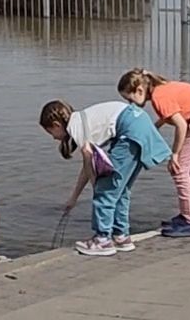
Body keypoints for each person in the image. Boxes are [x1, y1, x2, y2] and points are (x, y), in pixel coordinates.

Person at [39, 97, 169, 257]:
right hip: (140, 127)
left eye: (51, 132)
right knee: (120, 191)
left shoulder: (76, 127)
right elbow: (87, 168)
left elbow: (88, 161)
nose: (53, 137)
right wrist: (74, 197)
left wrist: (98, 188)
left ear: (56, 125)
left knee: (106, 191)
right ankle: (121, 236)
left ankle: (102, 240)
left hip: (129, 133)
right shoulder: (82, 119)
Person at [118, 68, 190, 237]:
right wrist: (152, 128)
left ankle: (189, 221)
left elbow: (181, 125)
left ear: (140, 90)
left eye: (130, 98)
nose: (131, 104)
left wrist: (175, 154)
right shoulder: (162, 89)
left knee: (179, 169)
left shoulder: (159, 97)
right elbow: (170, 114)